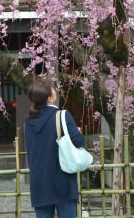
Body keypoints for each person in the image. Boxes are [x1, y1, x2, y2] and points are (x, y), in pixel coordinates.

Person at [23, 77, 85, 218]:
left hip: (39, 183)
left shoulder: (28, 122)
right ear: (50, 98)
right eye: (53, 89)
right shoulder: (62, 116)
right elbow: (79, 142)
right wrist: (78, 132)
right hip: (63, 182)